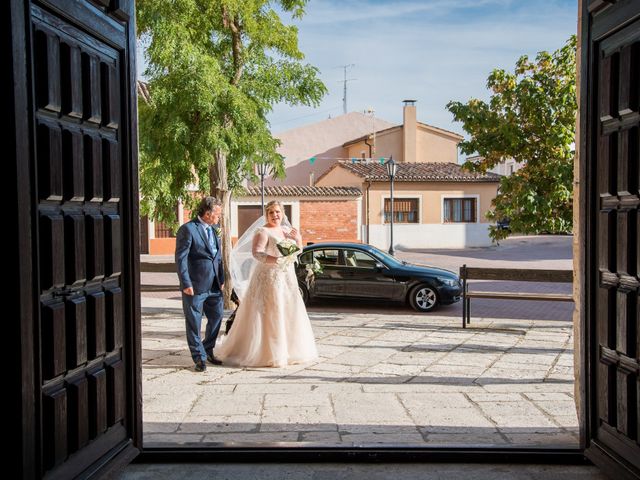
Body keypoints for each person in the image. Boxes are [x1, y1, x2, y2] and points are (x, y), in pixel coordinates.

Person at [214, 200, 318, 367]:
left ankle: (290, 351)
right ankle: (267, 353)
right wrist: (276, 260)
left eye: (278, 212)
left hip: (286, 277)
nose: (275, 215)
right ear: (266, 215)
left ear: (283, 213)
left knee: (288, 310)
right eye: (271, 213)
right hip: (269, 276)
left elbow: (297, 252)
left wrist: (298, 239)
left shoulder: (287, 230)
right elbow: (257, 253)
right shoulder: (263, 231)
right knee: (270, 311)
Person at [175, 196, 225, 372]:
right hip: (195, 285)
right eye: (217, 214)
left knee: (217, 317)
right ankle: (199, 358)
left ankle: (208, 349)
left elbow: (217, 257)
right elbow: (181, 259)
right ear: (207, 213)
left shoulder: (215, 229)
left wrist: (222, 279)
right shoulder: (187, 230)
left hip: (214, 284)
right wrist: (185, 282)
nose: (219, 217)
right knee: (194, 322)